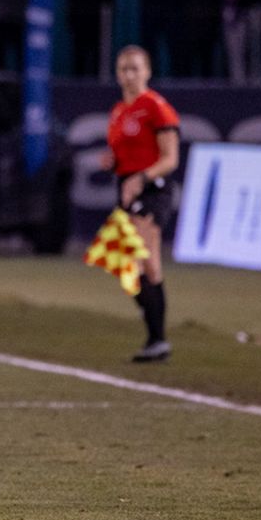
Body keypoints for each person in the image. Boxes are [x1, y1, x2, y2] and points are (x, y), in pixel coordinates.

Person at [101, 45, 181, 363]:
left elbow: (170, 159)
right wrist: (113, 163)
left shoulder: (156, 107)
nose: (129, 75)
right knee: (126, 264)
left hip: (151, 190)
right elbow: (124, 153)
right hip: (127, 188)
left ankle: (157, 339)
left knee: (146, 262)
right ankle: (154, 332)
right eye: (124, 69)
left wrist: (141, 178)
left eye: (135, 68)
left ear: (147, 71)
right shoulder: (119, 110)